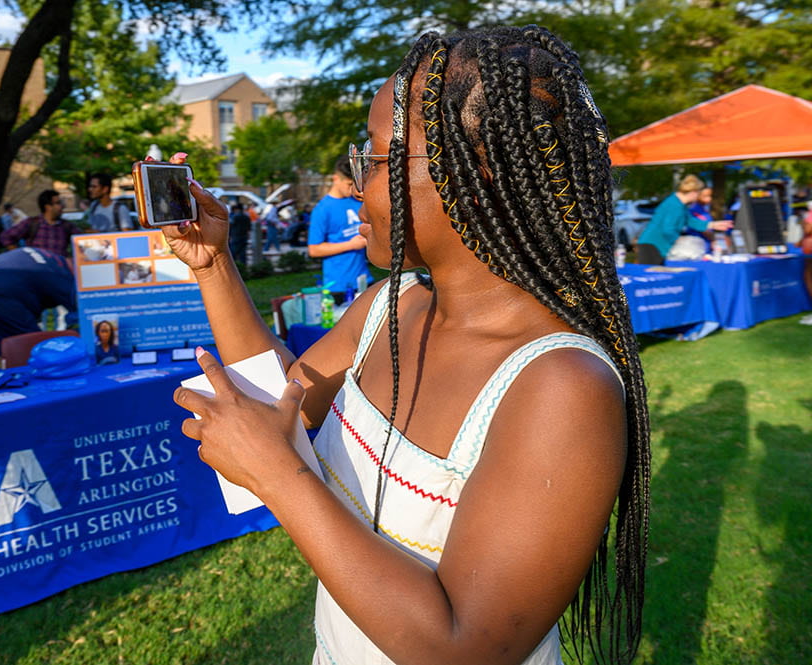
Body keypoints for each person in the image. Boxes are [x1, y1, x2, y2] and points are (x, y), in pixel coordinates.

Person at [163, 25, 650, 665]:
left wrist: (278, 476)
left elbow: (466, 648)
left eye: (373, 158)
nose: (356, 182)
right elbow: (285, 404)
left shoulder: (561, 386)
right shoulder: (386, 307)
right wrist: (213, 266)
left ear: (476, 175)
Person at [0, 247, 78, 355]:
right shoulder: (63, 278)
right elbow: (82, 316)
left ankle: (6, 372)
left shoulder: (51, 258)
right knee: (29, 344)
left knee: (5, 344)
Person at [307, 156, 371, 301]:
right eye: (349, 184)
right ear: (336, 179)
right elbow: (314, 249)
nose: (353, 189)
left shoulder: (357, 202)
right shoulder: (322, 209)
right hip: (338, 286)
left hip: (364, 280)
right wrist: (352, 245)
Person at [636, 175, 732, 264]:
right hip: (652, 246)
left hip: (657, 246)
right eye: (698, 193)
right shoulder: (674, 205)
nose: (698, 197)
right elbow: (668, 230)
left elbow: (689, 221)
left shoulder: (680, 204)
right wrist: (681, 242)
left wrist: (712, 225)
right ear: (693, 192)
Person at [0, 190, 80, 256]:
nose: (63, 206)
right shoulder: (32, 223)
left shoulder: (67, 226)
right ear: (48, 207)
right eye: (58, 203)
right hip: (37, 272)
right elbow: (6, 237)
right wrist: (19, 256)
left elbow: (82, 242)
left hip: (59, 272)